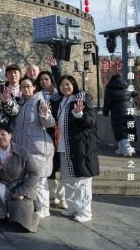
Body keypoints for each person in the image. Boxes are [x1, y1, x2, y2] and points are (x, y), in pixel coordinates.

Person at [48, 75, 99, 222]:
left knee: (82, 180)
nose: (65, 87)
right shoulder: (61, 100)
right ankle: (72, 207)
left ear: (74, 85)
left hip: (81, 147)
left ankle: (85, 211)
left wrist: (79, 114)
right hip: (64, 147)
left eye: (68, 84)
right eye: (62, 85)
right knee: (67, 179)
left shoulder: (82, 98)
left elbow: (91, 121)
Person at [10, 76, 55, 218]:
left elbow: (50, 123)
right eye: (23, 86)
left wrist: (44, 114)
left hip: (38, 148)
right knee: (27, 179)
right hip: (22, 148)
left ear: (34, 87)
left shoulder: (40, 101)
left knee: (40, 180)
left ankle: (44, 209)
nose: (26, 89)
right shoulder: (21, 103)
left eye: (28, 86)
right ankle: (34, 206)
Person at [0, 123, 40, 232]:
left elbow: (34, 173)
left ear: (10, 135)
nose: (0, 137)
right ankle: (0, 214)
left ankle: (31, 212)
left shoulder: (23, 151)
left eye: (3, 134)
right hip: (1, 185)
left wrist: (22, 191)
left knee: (23, 225)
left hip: (18, 186)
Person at [103, 74, 138, 157]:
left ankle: (128, 149)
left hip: (117, 112)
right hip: (129, 110)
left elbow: (107, 102)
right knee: (123, 130)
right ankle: (121, 149)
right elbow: (135, 93)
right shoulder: (126, 86)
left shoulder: (110, 88)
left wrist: (105, 112)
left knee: (121, 130)